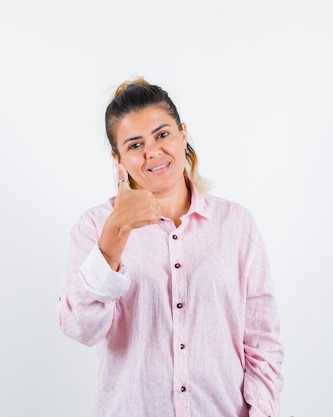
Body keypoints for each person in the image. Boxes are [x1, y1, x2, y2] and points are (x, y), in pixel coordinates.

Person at [58, 77, 284, 417]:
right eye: (134, 145)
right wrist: (116, 234)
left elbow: (262, 341)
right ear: (117, 158)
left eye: (162, 134)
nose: (152, 152)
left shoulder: (236, 224)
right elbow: (81, 328)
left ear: (182, 134)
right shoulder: (94, 227)